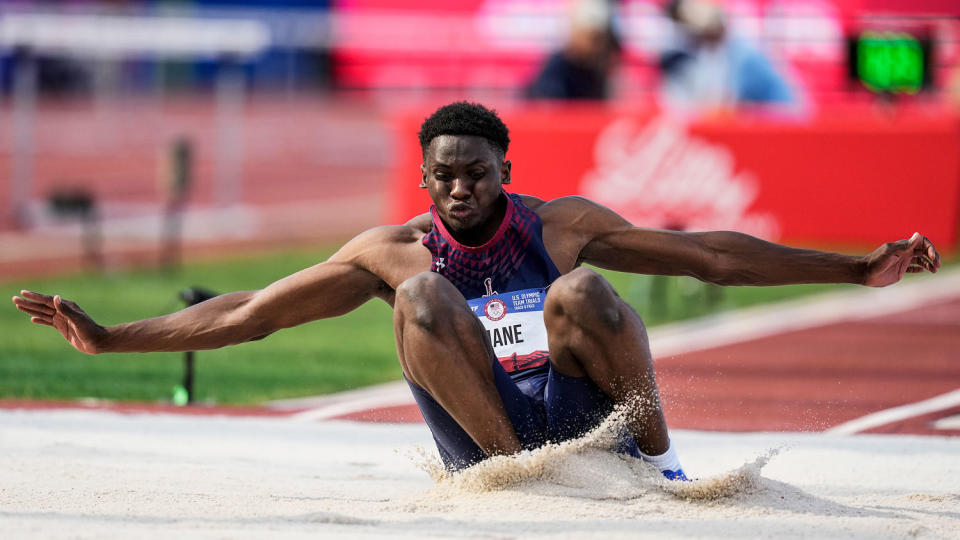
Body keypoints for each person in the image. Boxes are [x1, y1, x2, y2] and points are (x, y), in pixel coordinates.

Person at [12, 102, 941, 480]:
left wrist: (855, 268)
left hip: (586, 406)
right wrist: (113, 338)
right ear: (425, 180)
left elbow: (710, 256)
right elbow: (251, 311)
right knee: (419, 301)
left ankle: (661, 467)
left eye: (477, 172)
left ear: (505, 168)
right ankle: (517, 483)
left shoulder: (559, 223)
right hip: (485, 430)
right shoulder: (392, 249)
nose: (462, 188)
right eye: (445, 176)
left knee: (583, 291)